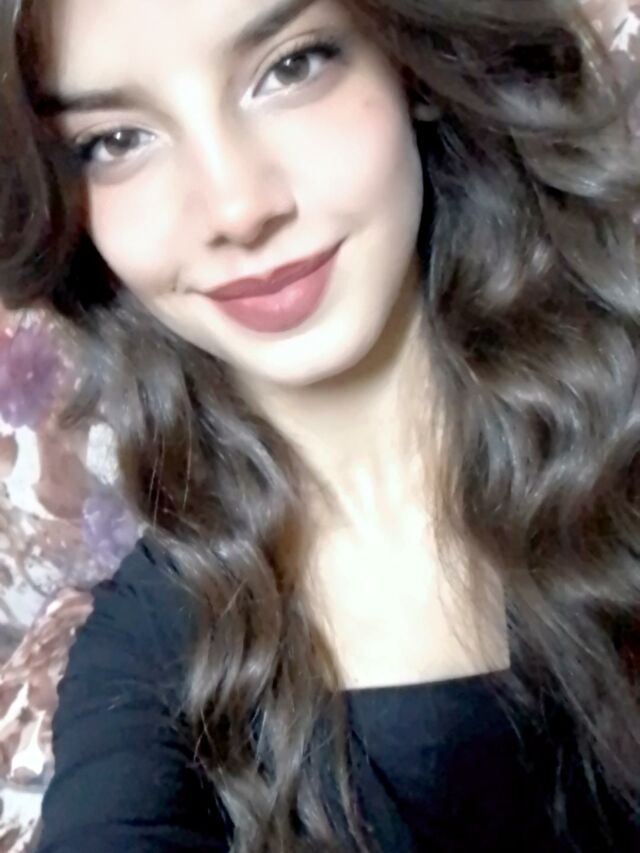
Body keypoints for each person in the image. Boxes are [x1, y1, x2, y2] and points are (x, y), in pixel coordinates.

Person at [1, 0, 640, 849]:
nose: (236, 208)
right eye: (115, 140)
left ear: (411, 62)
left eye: (291, 66)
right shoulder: (140, 660)